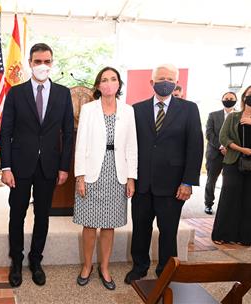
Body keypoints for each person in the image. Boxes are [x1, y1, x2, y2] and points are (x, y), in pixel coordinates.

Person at [0, 43, 74, 287]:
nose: (43, 66)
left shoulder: (63, 93)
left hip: (49, 166)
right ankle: (16, 261)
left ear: (52, 63)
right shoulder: (15, 93)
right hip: (20, 166)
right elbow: (6, 132)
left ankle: (35, 260)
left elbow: (68, 133)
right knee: (17, 215)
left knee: (42, 215)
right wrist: (6, 167)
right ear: (30, 63)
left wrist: (64, 167)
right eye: (38, 61)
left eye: (47, 61)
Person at [124, 64, 203, 284]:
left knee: (168, 231)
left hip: (173, 184)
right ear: (152, 82)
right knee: (140, 228)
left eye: (170, 78)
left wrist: (188, 182)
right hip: (143, 183)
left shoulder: (189, 109)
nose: (166, 81)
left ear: (176, 83)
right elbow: (129, 146)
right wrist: (129, 177)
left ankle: (166, 271)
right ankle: (139, 267)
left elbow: (195, 147)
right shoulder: (136, 110)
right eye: (161, 78)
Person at [73, 67, 137, 290]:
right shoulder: (89, 109)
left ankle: (105, 267)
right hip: (92, 172)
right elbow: (80, 144)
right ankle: (87, 266)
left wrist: (131, 178)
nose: (109, 83)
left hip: (116, 172)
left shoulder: (128, 111)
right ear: (98, 85)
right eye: (104, 80)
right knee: (89, 224)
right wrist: (80, 176)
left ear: (119, 84)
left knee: (109, 225)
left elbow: (131, 146)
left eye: (113, 79)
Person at [211, 85, 251, 247]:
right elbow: (223, 137)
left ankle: (244, 237)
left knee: (249, 200)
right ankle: (222, 234)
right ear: (244, 98)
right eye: (250, 94)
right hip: (233, 162)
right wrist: (242, 149)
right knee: (229, 198)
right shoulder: (233, 117)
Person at [204, 92, 237, 215]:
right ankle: (208, 204)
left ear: (236, 100)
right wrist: (221, 146)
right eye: (226, 98)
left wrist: (230, 148)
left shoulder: (239, 116)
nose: (228, 100)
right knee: (211, 180)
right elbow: (209, 134)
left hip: (233, 154)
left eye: (231, 99)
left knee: (230, 182)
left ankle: (227, 206)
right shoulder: (213, 115)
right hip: (215, 153)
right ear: (222, 100)